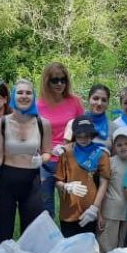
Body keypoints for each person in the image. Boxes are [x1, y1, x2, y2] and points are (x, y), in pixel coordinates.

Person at [0, 79, 51, 241]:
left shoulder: (42, 123)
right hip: (5, 181)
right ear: (13, 96)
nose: (24, 96)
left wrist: (41, 160)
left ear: (34, 96)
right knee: (3, 234)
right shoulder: (2, 123)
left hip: (32, 183)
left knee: (30, 235)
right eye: (20, 92)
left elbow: (47, 152)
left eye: (28, 93)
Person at [36, 62, 85, 216]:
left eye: (63, 80)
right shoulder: (38, 105)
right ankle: (48, 239)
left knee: (71, 206)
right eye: (55, 80)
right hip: (46, 161)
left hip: (69, 159)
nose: (59, 84)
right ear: (46, 81)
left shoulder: (74, 101)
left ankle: (70, 239)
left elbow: (83, 130)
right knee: (45, 207)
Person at [55, 116, 112, 237]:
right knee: (69, 250)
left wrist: (95, 208)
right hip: (68, 211)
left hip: (89, 210)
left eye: (87, 135)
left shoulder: (100, 154)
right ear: (74, 135)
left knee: (86, 251)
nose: (83, 138)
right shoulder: (65, 152)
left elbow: (104, 183)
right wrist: (66, 187)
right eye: (79, 135)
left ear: (92, 134)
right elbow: (58, 181)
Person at [99, 128, 127, 253]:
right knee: (107, 248)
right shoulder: (109, 163)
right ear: (114, 147)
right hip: (110, 212)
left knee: (125, 249)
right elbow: (101, 189)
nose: (123, 147)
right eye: (119, 145)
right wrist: (99, 214)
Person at [70, 84, 116, 148]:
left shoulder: (114, 128)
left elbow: (115, 156)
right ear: (89, 99)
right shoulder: (75, 123)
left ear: (108, 103)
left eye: (104, 100)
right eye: (95, 98)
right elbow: (66, 151)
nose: (99, 103)